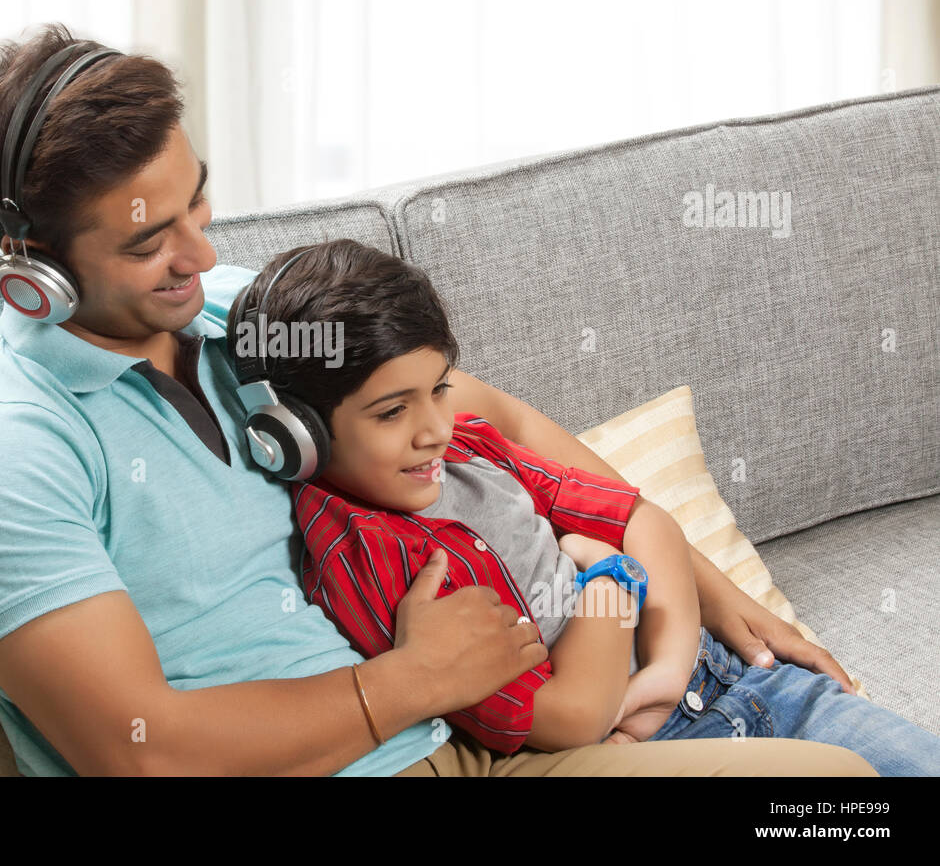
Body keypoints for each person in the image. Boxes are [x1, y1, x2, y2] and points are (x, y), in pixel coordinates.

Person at [0, 21, 876, 776]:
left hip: (472, 729)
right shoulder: (1, 455)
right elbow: (137, 747)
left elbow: (487, 416)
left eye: (196, 199)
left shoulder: (236, 312)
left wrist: (710, 588)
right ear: (37, 273)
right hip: (393, 731)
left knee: (838, 784)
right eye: (147, 240)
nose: (200, 255)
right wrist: (403, 683)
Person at [235, 238, 940, 775]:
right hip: (630, 744)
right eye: (392, 412)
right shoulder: (373, 560)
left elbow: (646, 522)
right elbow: (570, 716)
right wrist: (608, 580)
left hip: (725, 676)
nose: (435, 430)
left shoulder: (471, 448)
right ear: (297, 434)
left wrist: (665, 667)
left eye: (441, 389)